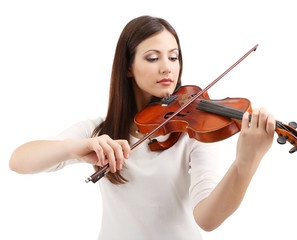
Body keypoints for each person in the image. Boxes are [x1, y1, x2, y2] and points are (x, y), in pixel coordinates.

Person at [9, 15, 275, 239]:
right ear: (127, 66)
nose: (167, 68)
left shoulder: (192, 131)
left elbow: (207, 219)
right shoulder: (101, 131)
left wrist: (245, 164)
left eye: (173, 57)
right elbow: (19, 161)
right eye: (152, 58)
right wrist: (79, 146)